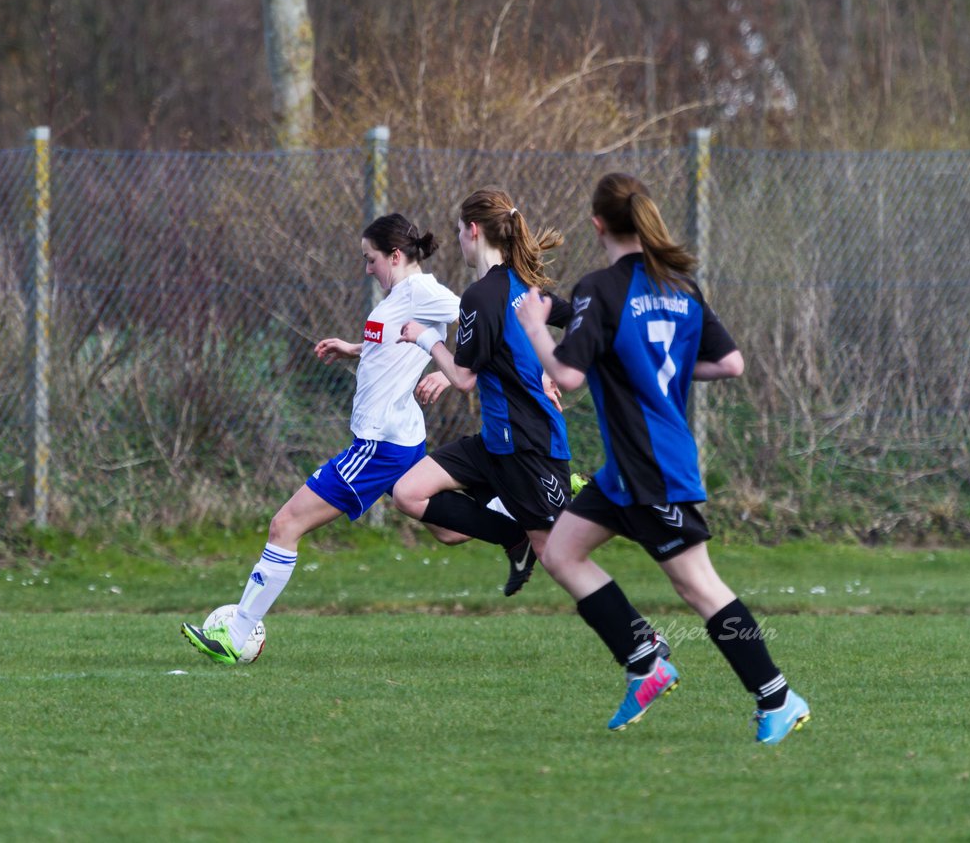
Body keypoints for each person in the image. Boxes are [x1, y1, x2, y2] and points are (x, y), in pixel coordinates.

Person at [514, 172, 810, 744]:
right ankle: (645, 661)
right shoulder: (680, 288)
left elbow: (568, 374)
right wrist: (637, 359)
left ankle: (778, 697)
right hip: (625, 471)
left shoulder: (603, 287)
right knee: (562, 553)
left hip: (652, 469)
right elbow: (731, 364)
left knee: (700, 587)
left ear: (597, 224)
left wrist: (533, 327)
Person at [182, 213, 532, 664]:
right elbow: (392, 345)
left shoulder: (424, 293)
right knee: (449, 531)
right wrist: (353, 347)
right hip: (398, 438)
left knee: (284, 524)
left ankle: (236, 635)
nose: (367, 268)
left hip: (377, 446)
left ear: (396, 255)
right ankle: (523, 504)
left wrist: (452, 378)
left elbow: (492, 320)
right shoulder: (398, 298)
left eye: (371, 260)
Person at [392, 188, 580, 599]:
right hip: (495, 443)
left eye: (459, 230)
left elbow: (462, 377)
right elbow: (482, 366)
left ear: (473, 231)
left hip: (529, 445)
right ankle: (514, 538)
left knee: (559, 555)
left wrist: (426, 339)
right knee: (409, 493)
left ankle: (641, 637)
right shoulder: (513, 287)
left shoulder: (491, 292)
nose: (458, 238)